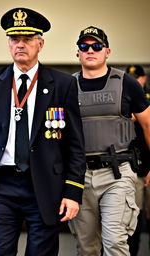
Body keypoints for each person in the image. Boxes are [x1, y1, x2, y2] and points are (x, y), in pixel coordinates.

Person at [0, 7, 86, 256]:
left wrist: (73, 191)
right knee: (0, 252)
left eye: (27, 39)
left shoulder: (63, 84)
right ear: (8, 44)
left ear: (40, 44)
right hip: (1, 185)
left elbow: (75, 144)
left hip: (45, 184)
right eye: (14, 39)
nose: (20, 45)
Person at [69, 26, 150, 256]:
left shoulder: (127, 84)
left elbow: (147, 124)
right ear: (78, 52)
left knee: (115, 242)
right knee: (87, 248)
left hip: (118, 173)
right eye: (84, 47)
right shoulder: (67, 86)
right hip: (79, 175)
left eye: (96, 46)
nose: (90, 50)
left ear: (107, 52)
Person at [126, 65, 150, 255]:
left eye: (137, 78)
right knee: (133, 217)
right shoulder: (125, 97)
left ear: (143, 78)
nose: (135, 81)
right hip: (134, 167)